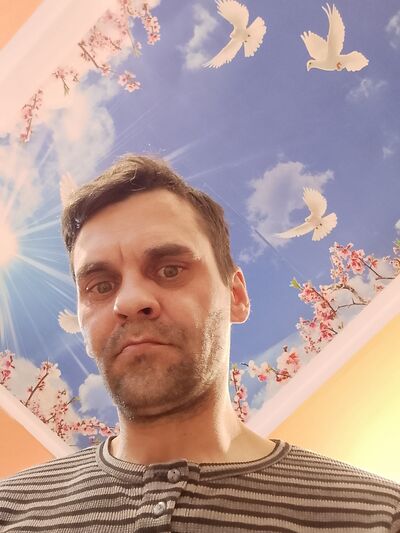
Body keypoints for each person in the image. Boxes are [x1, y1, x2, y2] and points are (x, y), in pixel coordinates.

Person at [1, 154, 399, 532]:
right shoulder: (8, 509)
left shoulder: (379, 516)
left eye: (170, 270)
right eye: (101, 286)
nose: (129, 301)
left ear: (236, 295)